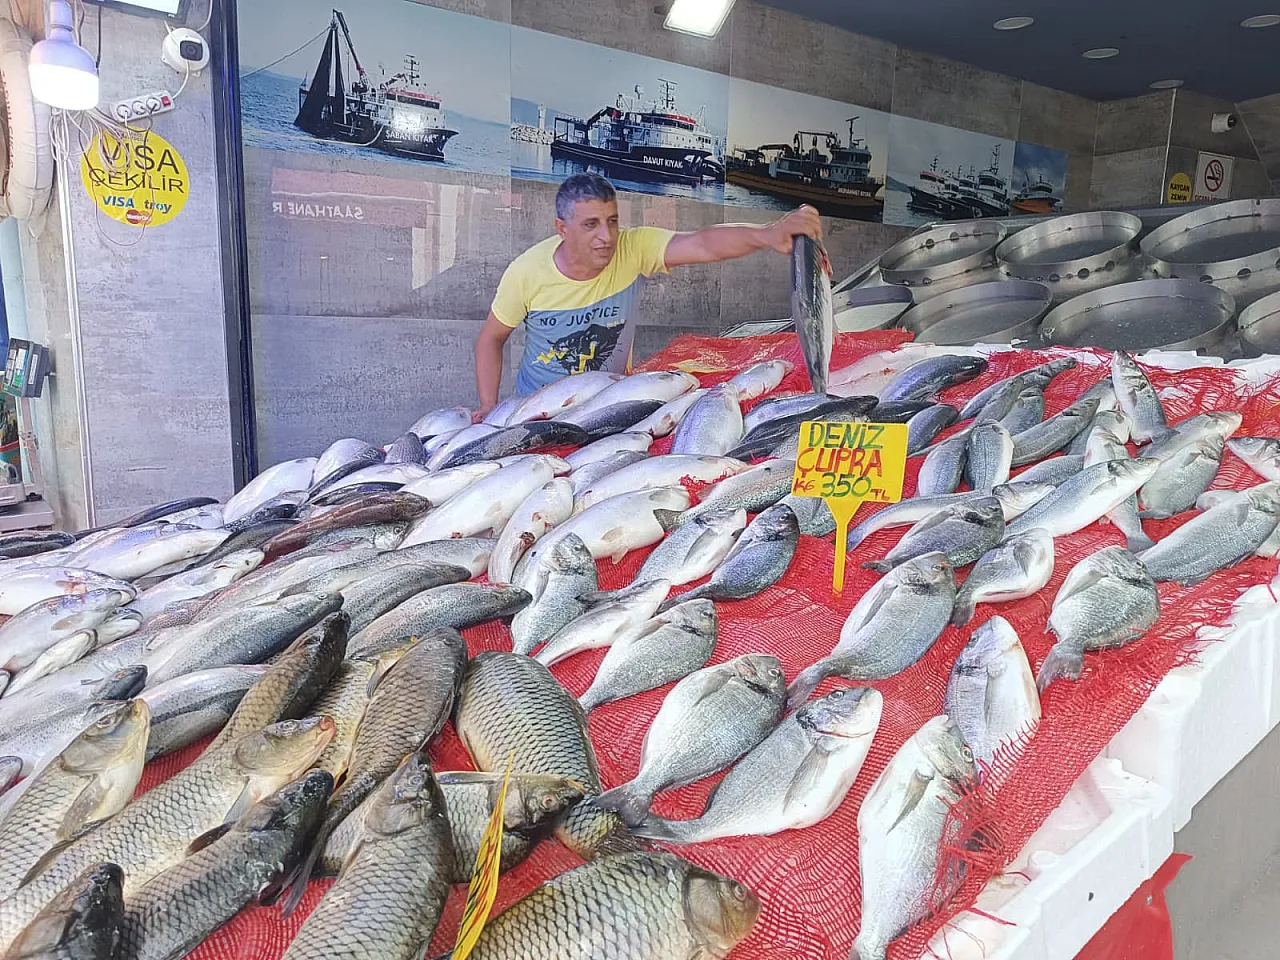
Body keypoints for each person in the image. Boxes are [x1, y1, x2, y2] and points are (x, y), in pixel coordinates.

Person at [474, 173, 821, 413]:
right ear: (562, 229)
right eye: (591, 224)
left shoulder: (633, 247)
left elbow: (702, 243)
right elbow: (492, 338)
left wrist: (768, 233)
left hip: (611, 405)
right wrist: (489, 406)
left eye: (612, 221)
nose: (607, 237)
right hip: (537, 411)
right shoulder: (526, 271)